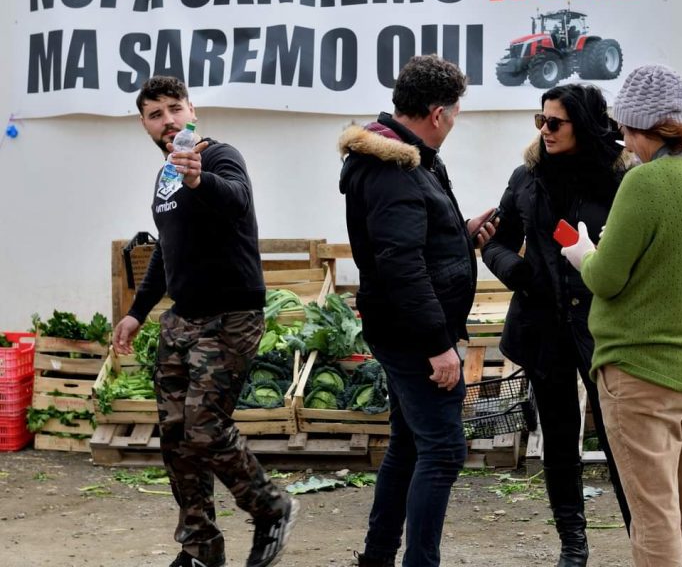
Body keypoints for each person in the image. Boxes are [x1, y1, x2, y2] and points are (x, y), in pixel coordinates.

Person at [562, 65, 682, 567]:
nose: (622, 137)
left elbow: (606, 279)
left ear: (645, 126)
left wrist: (582, 253)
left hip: (639, 375)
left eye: (626, 127)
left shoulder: (643, 184)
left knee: (654, 515)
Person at [113, 76, 297, 567]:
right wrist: (135, 312)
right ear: (144, 124)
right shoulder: (165, 176)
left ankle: (271, 507)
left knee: (205, 428)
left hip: (230, 316)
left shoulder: (218, 156)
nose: (168, 120)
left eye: (175, 108)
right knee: (175, 436)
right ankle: (199, 548)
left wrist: (198, 179)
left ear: (192, 110)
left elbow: (235, 199)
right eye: (156, 114)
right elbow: (165, 251)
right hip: (182, 320)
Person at [338, 54, 498, 567]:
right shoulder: (395, 168)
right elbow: (401, 265)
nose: (453, 122)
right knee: (445, 450)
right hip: (413, 334)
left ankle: (379, 555)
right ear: (436, 113)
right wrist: (438, 346)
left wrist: (462, 233)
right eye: (454, 113)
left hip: (404, 325)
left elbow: (414, 241)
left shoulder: (410, 156)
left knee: (409, 444)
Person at [481, 83, 632, 567]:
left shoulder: (622, 179)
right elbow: (496, 242)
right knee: (560, 438)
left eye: (555, 122)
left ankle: (642, 538)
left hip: (603, 327)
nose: (544, 130)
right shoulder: (526, 177)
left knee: (620, 441)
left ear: (582, 126)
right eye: (540, 121)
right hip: (543, 324)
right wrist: (516, 270)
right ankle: (573, 543)